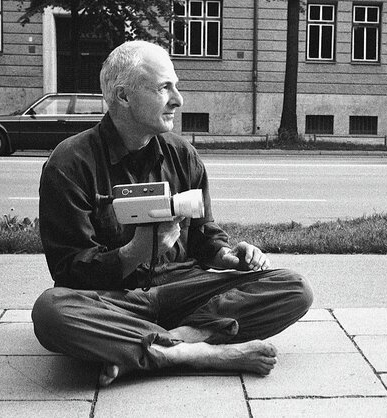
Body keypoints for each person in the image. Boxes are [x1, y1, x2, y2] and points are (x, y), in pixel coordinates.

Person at [31, 40, 314, 386]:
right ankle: (201, 352)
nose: (178, 100)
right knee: (51, 312)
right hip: (117, 300)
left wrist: (226, 255)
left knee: (293, 287)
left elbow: (203, 234)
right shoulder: (69, 163)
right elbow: (69, 271)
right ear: (123, 96)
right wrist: (135, 253)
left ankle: (154, 350)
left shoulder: (183, 154)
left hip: (184, 290)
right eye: (165, 88)